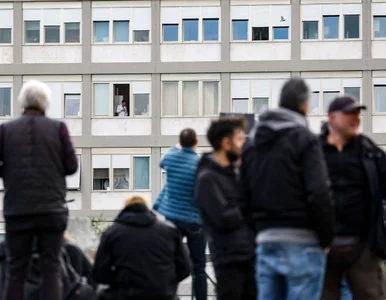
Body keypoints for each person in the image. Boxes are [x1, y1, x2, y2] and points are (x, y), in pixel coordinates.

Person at [239, 78, 335, 300]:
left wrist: (258, 232)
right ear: (304, 106)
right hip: (303, 242)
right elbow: (319, 192)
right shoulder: (305, 139)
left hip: (266, 241)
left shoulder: (253, 144)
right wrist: (326, 238)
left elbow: (242, 197)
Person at [0, 80, 78, 300]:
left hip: (18, 210)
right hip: (52, 210)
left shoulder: (5, 130)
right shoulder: (59, 128)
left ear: (22, 102)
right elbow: (72, 166)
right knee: (51, 269)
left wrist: (10, 172)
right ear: (46, 103)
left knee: (16, 271)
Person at [320, 96, 386, 300]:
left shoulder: (370, 151)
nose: (356, 118)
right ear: (332, 118)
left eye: (358, 113)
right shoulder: (313, 151)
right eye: (349, 114)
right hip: (322, 249)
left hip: (363, 247)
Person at [195, 117, 256, 300]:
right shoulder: (207, 179)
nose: (243, 142)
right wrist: (249, 206)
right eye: (239, 138)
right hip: (229, 259)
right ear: (225, 143)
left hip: (249, 255)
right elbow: (223, 218)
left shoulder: (235, 173)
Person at [92, 196, 190, 300]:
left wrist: (121, 278)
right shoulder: (169, 230)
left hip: (126, 295)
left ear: (125, 209)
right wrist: (167, 282)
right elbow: (185, 268)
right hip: (164, 295)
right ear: (147, 209)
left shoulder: (112, 233)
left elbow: (99, 274)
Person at [153, 128, 207, 300]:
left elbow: (161, 163)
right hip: (194, 220)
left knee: (172, 263)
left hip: (173, 219)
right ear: (196, 142)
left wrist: (177, 147)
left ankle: (171, 297)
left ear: (180, 143)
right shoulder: (199, 163)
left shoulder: (170, 157)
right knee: (199, 266)